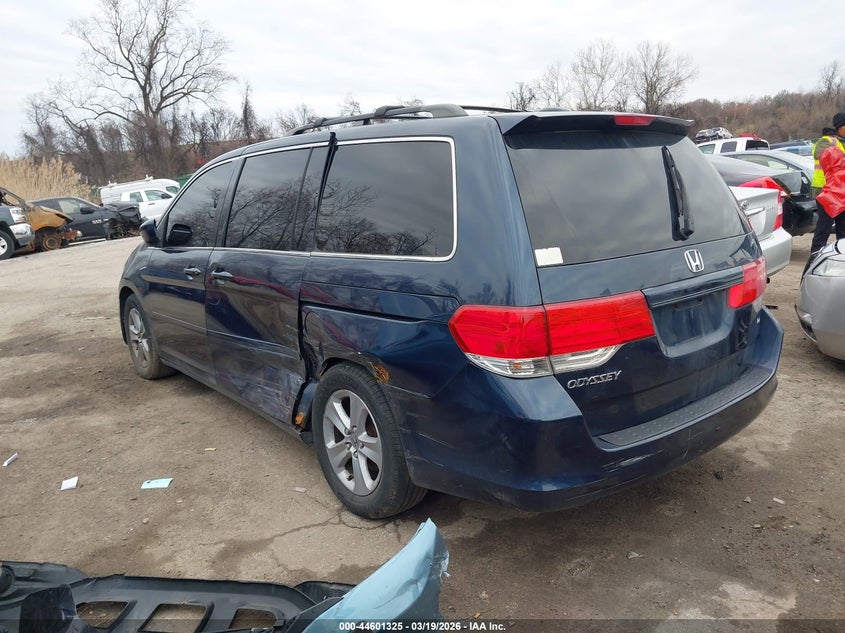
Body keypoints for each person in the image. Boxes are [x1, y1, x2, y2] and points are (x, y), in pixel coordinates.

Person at [809, 114, 845, 255]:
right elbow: (827, 157)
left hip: (840, 191)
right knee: (825, 225)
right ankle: (816, 255)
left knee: (842, 225)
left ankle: (841, 255)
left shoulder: (842, 142)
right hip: (825, 191)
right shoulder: (825, 142)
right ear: (839, 127)